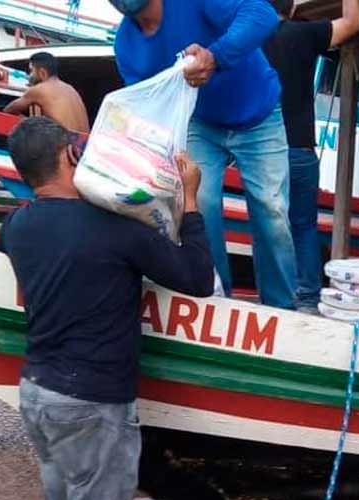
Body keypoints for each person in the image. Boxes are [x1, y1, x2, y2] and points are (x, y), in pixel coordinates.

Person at [0, 117, 214, 500]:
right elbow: (196, 279)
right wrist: (189, 198)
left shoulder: (16, 227)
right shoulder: (114, 227)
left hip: (39, 394)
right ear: (72, 158)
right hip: (93, 402)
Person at [109, 0, 299, 309]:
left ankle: (281, 308)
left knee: (271, 210)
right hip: (199, 121)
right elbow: (144, 105)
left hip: (259, 114)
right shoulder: (126, 45)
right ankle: (216, 299)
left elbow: (261, 14)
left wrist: (215, 56)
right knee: (200, 203)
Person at [262, 0, 359, 309]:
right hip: (301, 149)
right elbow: (352, 21)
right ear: (291, 9)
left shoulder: (248, 39)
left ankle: (275, 297)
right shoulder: (304, 34)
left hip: (262, 152)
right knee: (304, 226)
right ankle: (307, 297)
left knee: (267, 225)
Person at [3, 51, 90, 133]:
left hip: (66, 145)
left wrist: (27, 120)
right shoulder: (71, 89)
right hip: (84, 144)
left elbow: (8, 110)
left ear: (42, 73)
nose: (30, 75)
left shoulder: (39, 89)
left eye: (31, 71)